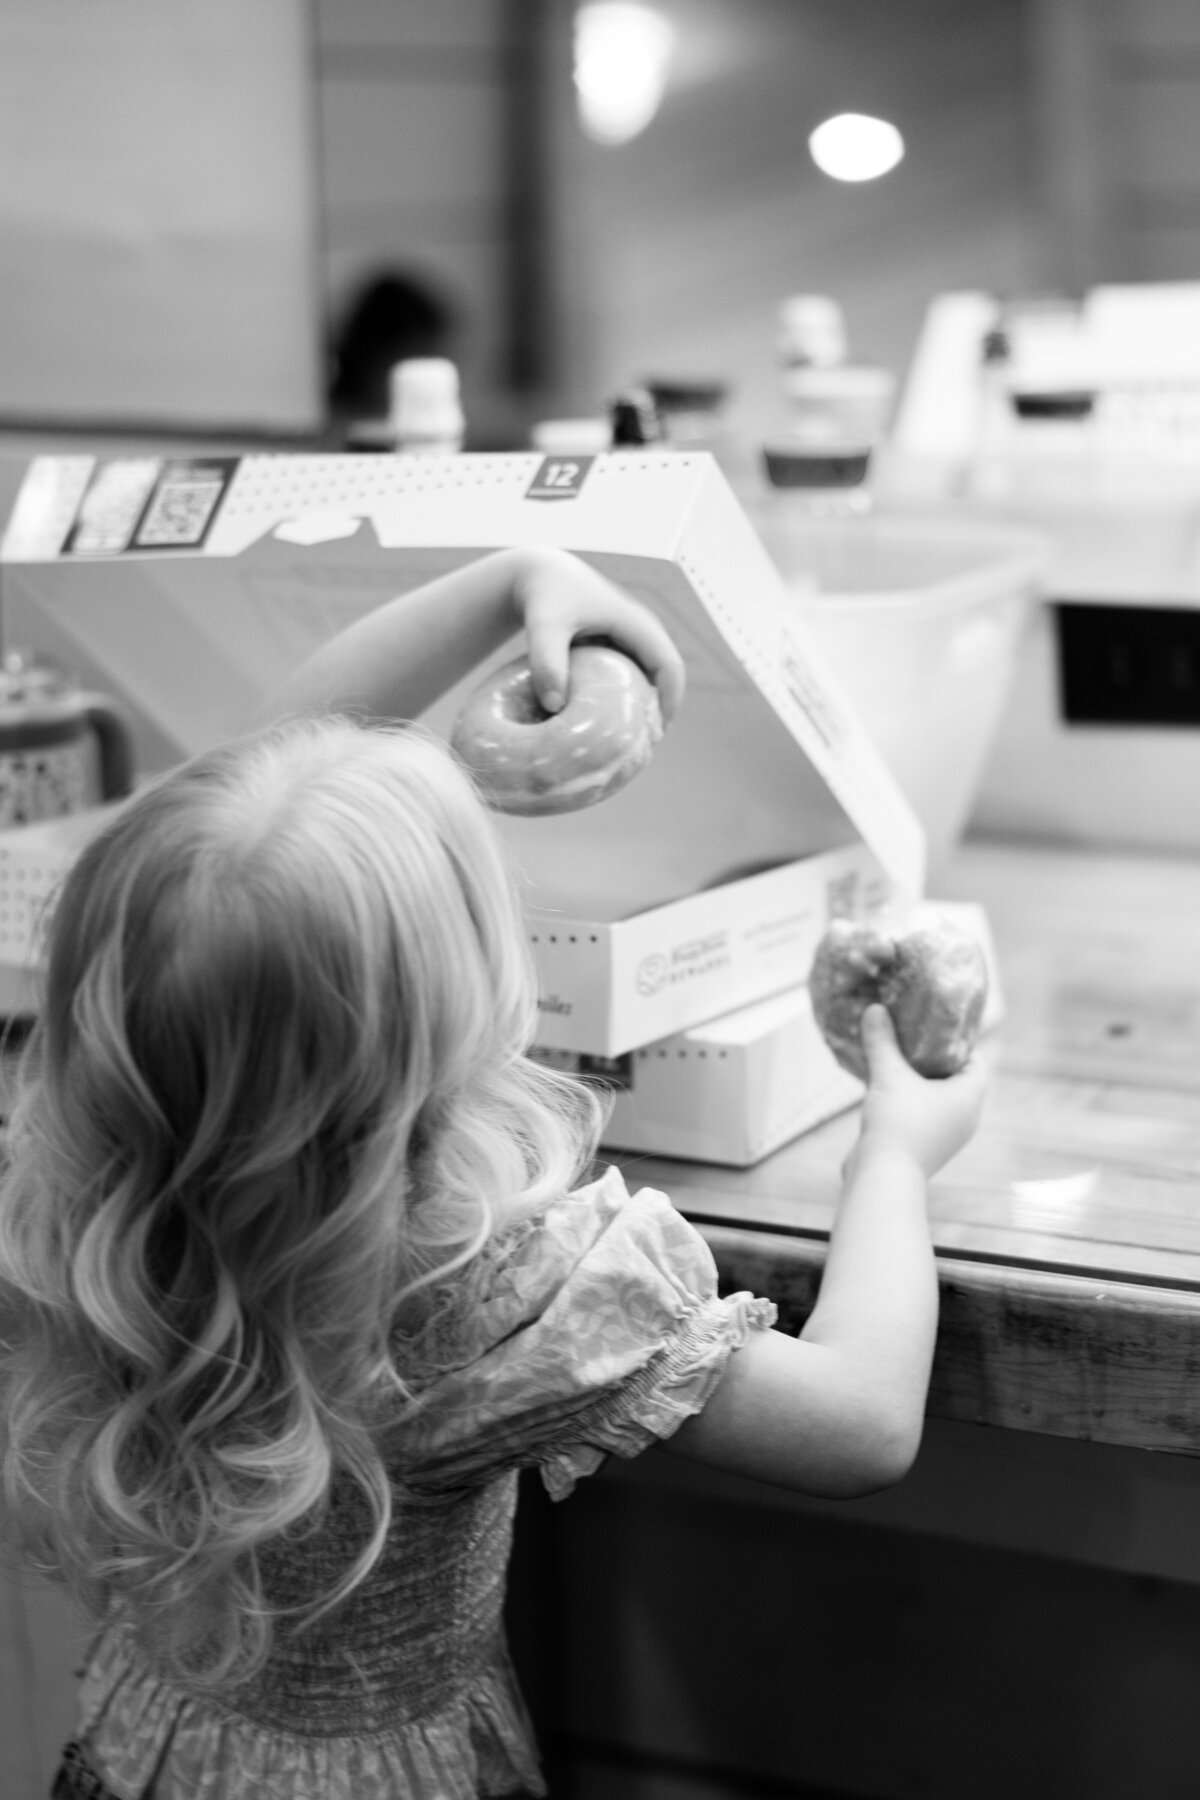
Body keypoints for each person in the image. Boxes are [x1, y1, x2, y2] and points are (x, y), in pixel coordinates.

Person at [0, 545, 986, 1800]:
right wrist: (895, 1156)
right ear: (451, 1014)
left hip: (147, 1757)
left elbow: (225, 851)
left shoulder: (70, 1190)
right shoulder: (490, 1288)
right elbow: (858, 1424)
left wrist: (506, 583)